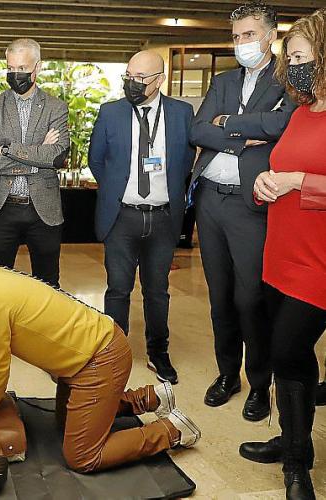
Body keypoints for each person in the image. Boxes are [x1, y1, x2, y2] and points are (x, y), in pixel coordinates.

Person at [0, 233, 201, 474]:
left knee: (82, 455)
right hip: (88, 356)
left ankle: (172, 430)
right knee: (67, 422)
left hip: (99, 360)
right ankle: (150, 398)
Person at [188, 2, 297, 421]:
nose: (241, 43)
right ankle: (227, 375)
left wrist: (227, 123)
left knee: (250, 298)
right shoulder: (223, 80)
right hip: (209, 200)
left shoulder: (287, 80)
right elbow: (198, 129)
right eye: (236, 37)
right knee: (219, 297)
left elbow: (279, 126)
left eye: (249, 35)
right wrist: (243, 133)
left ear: (270, 36)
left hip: (251, 203)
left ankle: (259, 384)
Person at [238, 10, 326, 499]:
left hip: (319, 261)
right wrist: (263, 183)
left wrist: (298, 181)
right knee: (287, 354)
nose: (292, 67)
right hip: (280, 253)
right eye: (289, 59)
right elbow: (278, 173)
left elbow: (299, 178)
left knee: (289, 351)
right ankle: (292, 439)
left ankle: (296, 467)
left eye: (299, 57)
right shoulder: (299, 114)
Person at [88, 50, 196, 385]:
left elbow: (185, 162)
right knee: (118, 290)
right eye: (129, 76)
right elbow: (96, 161)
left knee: (157, 291)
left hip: (163, 217)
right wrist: (120, 190)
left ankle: (158, 352)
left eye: (140, 78)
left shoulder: (181, 113)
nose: (131, 83)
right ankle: (114, 353)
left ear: (159, 80)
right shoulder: (110, 112)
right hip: (122, 216)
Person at [0, 38, 69, 287]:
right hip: (0, 207)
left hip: (43, 210)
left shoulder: (56, 108)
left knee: (48, 286)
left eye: (22, 68)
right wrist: (38, 158)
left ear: (37, 67)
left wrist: (8, 150)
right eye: (11, 68)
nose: (15, 74)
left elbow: (57, 156)